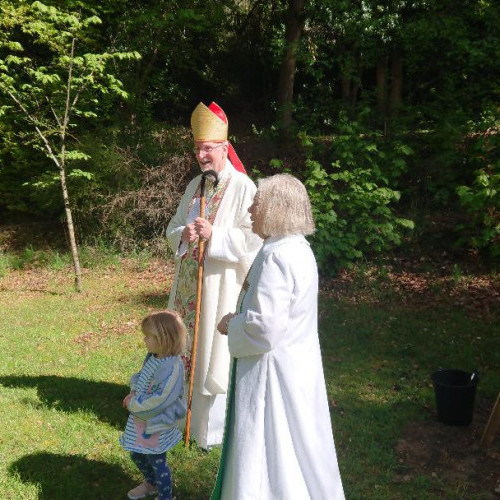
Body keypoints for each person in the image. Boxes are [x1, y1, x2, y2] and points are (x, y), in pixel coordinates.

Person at [213, 174, 345, 499]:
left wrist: (233, 323)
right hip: (296, 364)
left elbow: (264, 330)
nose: (250, 209)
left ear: (275, 207)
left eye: (256, 203)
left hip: (271, 373)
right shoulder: (298, 249)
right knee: (296, 442)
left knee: (270, 445)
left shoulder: (276, 257)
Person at [166, 101, 262, 449]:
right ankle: (177, 420)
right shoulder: (194, 187)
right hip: (188, 286)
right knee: (183, 349)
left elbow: (254, 238)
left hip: (221, 285)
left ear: (224, 148)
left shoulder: (244, 188)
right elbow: (172, 227)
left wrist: (215, 236)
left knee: (212, 355)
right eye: (197, 148)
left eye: (208, 148)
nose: (202, 155)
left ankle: (208, 431)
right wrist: (184, 234)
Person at [120, 310, 187, 500]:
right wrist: (134, 390)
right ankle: (151, 483)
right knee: (137, 453)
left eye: (148, 336)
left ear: (163, 339)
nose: (144, 340)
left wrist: (135, 405)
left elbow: (163, 399)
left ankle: (165, 495)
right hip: (141, 418)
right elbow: (140, 376)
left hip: (156, 422)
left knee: (157, 459)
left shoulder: (173, 366)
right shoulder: (152, 357)